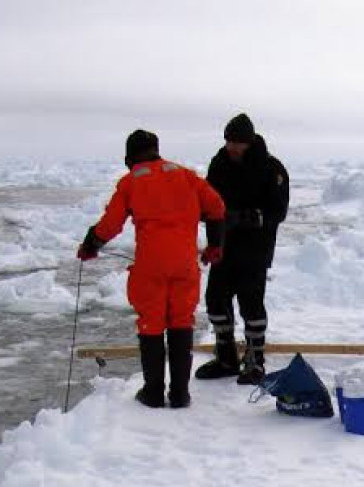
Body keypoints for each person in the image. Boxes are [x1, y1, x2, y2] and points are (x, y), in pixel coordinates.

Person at [77, 129, 226, 408]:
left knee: (151, 323)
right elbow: (217, 207)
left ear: (130, 156)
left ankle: (154, 392)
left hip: (151, 264)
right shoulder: (186, 175)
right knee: (182, 320)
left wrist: (91, 244)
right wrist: (215, 244)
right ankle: (180, 394)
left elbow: (111, 224)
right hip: (184, 262)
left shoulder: (131, 182)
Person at [195, 113, 289, 385]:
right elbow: (208, 200)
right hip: (224, 246)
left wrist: (245, 217)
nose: (232, 147)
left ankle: (255, 361)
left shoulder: (272, 169)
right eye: (229, 142)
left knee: (251, 304)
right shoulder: (219, 164)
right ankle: (226, 359)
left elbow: (277, 212)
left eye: (237, 143)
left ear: (249, 142)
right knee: (215, 300)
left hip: (255, 249)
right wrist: (208, 219)